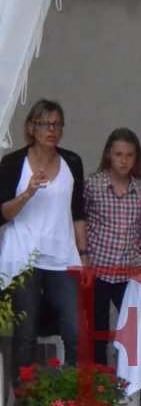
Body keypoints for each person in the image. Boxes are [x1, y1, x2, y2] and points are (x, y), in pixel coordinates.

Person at [1, 99, 87, 389]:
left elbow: (78, 213)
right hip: (24, 256)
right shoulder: (13, 163)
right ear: (31, 128)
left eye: (57, 124)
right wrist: (27, 193)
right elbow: (3, 213)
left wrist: (83, 253)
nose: (52, 130)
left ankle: (68, 397)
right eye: (45, 124)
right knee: (26, 331)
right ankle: (25, 403)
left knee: (75, 329)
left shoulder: (72, 161)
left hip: (62, 256)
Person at [83, 128, 141, 369]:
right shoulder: (93, 184)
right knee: (97, 329)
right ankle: (99, 384)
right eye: (118, 154)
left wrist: (133, 251)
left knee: (131, 330)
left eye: (129, 155)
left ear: (136, 158)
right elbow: (81, 221)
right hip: (98, 269)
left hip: (126, 272)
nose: (123, 160)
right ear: (108, 155)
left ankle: (128, 383)